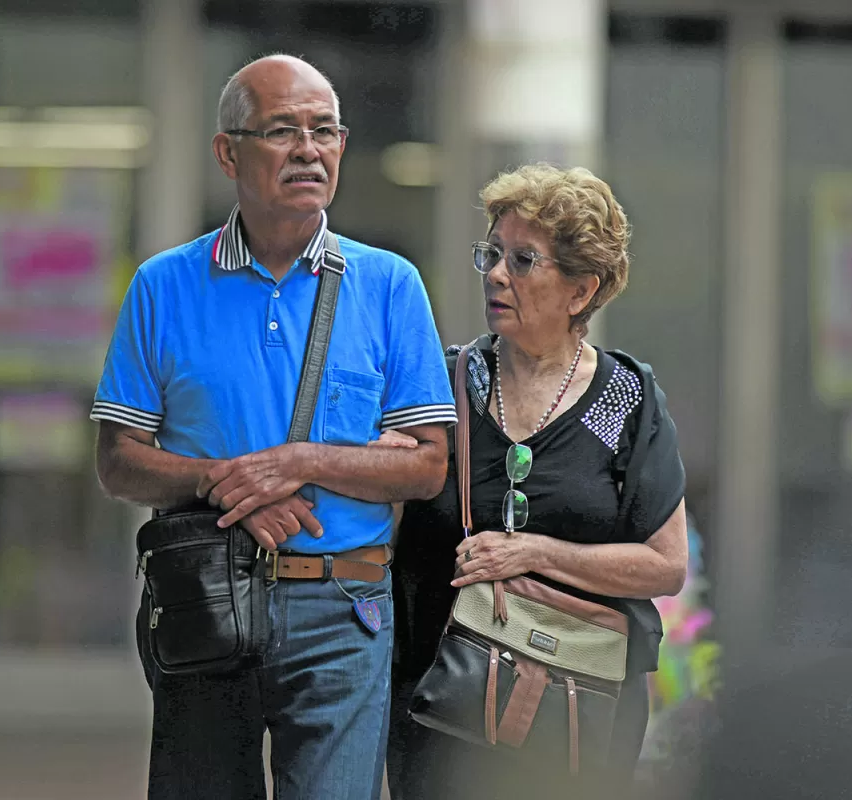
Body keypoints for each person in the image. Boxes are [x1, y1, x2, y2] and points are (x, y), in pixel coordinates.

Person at [90, 54, 457, 800]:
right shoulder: (163, 284)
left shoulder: (390, 284)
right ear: (228, 152)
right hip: (205, 599)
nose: (308, 150)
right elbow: (118, 459)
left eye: (325, 131)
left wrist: (300, 462)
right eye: (283, 130)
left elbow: (427, 465)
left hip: (345, 611)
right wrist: (226, 483)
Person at [385, 163, 689, 798]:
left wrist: (535, 552)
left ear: (581, 291)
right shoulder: (445, 384)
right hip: (440, 710)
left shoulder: (627, 403)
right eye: (492, 253)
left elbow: (665, 566)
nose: (497, 274)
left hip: (579, 716)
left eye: (523, 261)